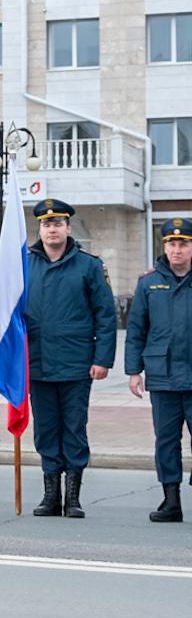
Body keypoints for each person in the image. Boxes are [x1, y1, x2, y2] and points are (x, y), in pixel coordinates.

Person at [21, 198, 117, 519]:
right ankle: (51, 495)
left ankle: (73, 497)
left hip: (76, 363)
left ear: (68, 228)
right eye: (47, 224)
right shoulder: (23, 263)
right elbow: (8, 313)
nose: (52, 229)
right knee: (46, 430)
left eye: (58, 223)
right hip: (37, 363)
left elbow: (105, 315)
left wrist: (102, 358)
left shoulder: (89, 265)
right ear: (40, 228)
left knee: (74, 428)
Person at [127, 217, 192, 524]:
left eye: (183, 244)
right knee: (166, 442)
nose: (176, 250)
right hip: (163, 376)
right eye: (171, 243)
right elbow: (137, 328)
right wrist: (133, 370)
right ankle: (171, 500)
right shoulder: (149, 282)